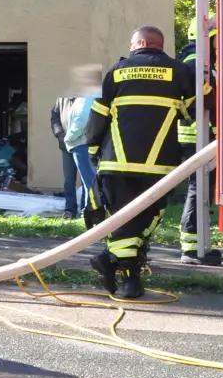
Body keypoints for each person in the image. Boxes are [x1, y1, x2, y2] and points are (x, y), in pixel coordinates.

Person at [83, 25, 195, 299]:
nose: (131, 49)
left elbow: (99, 115)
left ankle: (117, 267)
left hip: (116, 163)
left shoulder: (116, 71)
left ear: (142, 42)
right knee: (144, 218)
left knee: (122, 221)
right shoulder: (179, 71)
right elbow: (194, 114)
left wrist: (93, 149)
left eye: (133, 44)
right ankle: (126, 277)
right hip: (159, 167)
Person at [176, 12, 222, 266]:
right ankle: (190, 249)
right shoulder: (196, 60)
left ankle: (199, 244)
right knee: (197, 190)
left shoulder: (204, 59)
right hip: (196, 137)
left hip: (202, 136)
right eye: (219, 36)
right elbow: (201, 101)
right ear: (209, 35)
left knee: (202, 191)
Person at [63, 65, 105, 224]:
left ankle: (90, 214)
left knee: (90, 181)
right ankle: (88, 213)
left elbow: (81, 119)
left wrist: (69, 137)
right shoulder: (94, 95)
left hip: (81, 143)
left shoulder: (88, 96)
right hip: (86, 141)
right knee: (91, 180)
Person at [52, 77, 89, 219]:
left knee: (86, 179)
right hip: (65, 145)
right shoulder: (62, 98)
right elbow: (54, 117)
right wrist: (60, 134)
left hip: (83, 144)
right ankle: (69, 210)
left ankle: (85, 211)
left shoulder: (87, 99)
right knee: (69, 179)